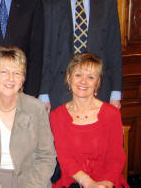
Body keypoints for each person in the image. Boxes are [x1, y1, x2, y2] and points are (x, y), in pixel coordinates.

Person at [40, 0, 122, 113]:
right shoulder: (50, 6)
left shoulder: (107, 3)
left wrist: (115, 93)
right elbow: (45, 52)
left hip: (98, 89)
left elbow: (114, 49)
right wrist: (43, 93)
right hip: (60, 90)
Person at [0, 46, 56, 188]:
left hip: (30, 182)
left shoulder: (37, 109)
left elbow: (46, 158)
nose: (11, 78)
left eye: (17, 73)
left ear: (23, 79)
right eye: (4, 72)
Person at [50, 52, 129, 188]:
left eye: (90, 77)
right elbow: (65, 158)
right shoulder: (57, 116)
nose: (83, 82)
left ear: (97, 83)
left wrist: (106, 184)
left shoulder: (112, 114)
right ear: (69, 78)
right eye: (78, 75)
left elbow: (116, 158)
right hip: (73, 181)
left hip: (107, 182)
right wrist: (89, 183)